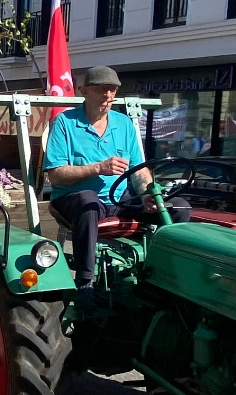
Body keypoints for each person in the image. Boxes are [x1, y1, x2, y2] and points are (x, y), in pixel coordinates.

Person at [43, 66, 191, 312]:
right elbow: (56, 175)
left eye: (112, 90)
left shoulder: (124, 124)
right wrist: (98, 168)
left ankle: (163, 276)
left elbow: (139, 171)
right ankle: (85, 284)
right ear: (84, 91)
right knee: (89, 201)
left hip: (118, 198)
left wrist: (147, 195)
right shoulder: (65, 123)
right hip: (73, 198)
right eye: (102, 89)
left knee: (178, 207)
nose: (108, 95)